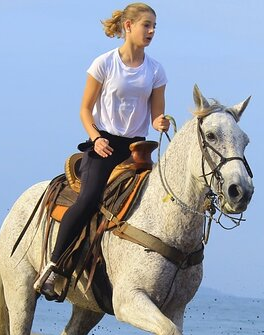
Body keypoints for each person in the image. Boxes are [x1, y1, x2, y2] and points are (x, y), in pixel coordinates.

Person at [34, 2, 170, 299]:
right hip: (104, 145)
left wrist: (161, 121)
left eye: (154, 27)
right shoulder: (104, 64)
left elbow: (157, 114)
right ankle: (53, 266)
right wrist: (95, 138)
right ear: (128, 26)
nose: (151, 31)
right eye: (147, 25)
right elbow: (84, 109)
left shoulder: (156, 70)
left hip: (137, 149)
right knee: (89, 199)